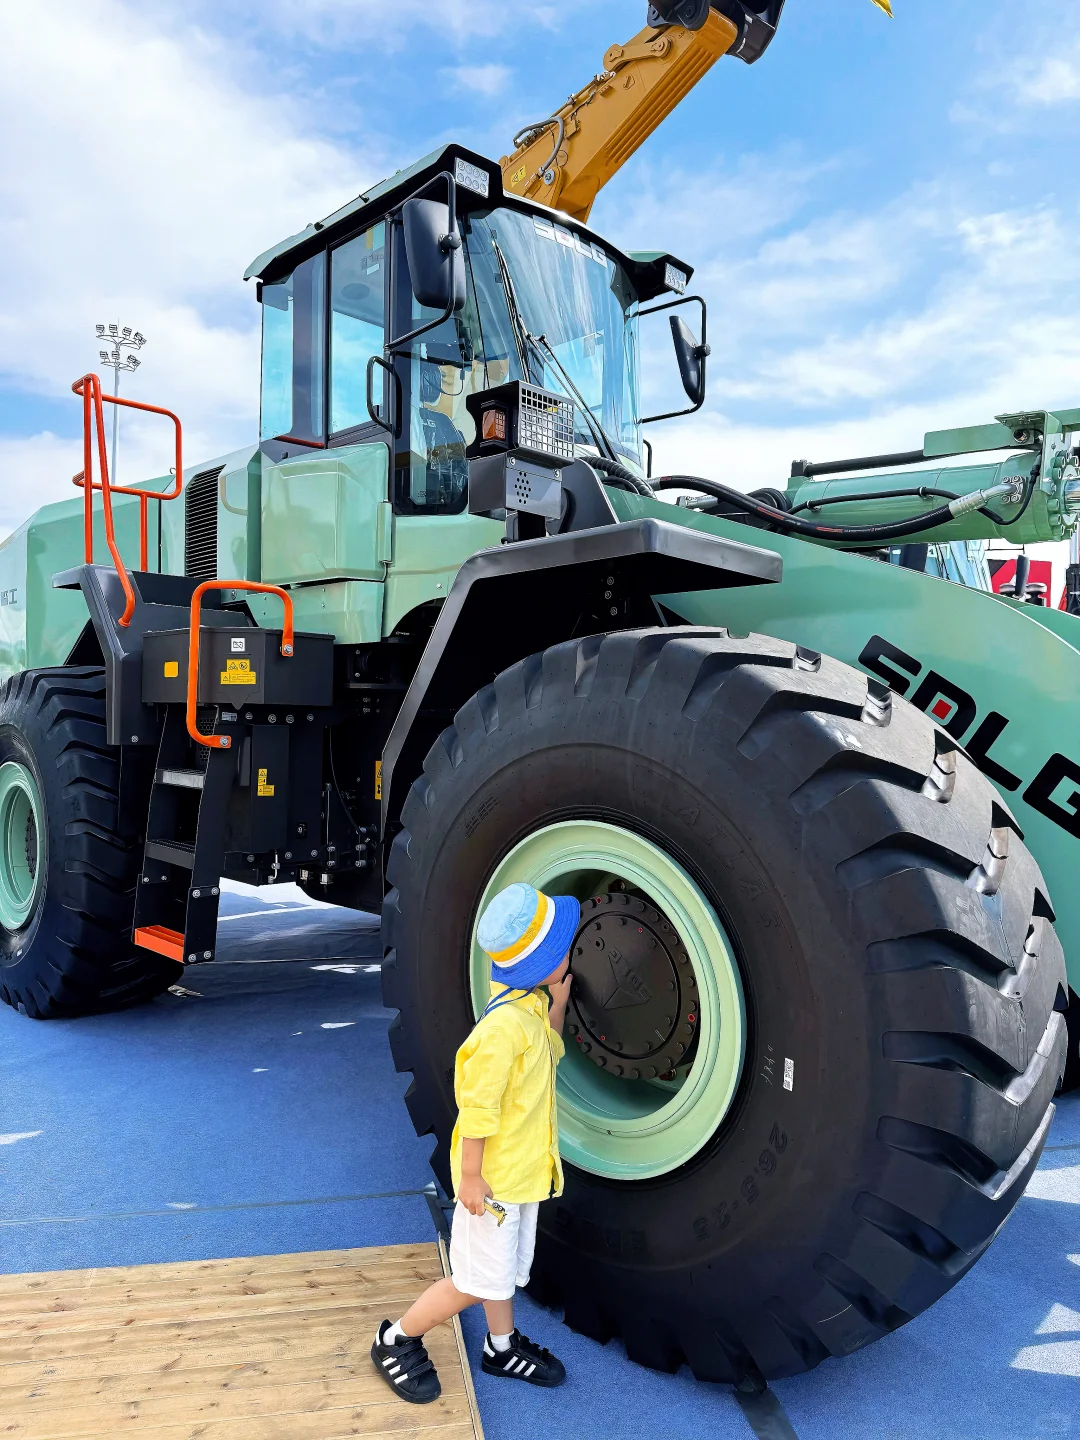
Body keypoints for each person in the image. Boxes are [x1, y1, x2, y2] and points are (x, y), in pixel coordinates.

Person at [371, 882, 579, 1404]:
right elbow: (477, 1108)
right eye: (563, 950)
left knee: (497, 1275)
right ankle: (396, 1338)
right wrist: (469, 1176)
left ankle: (499, 1347)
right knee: (470, 1282)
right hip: (491, 1190)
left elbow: (550, 1049)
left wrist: (558, 1004)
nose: (571, 955)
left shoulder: (528, 1006)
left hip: (519, 1178)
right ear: (540, 966)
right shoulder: (501, 1031)